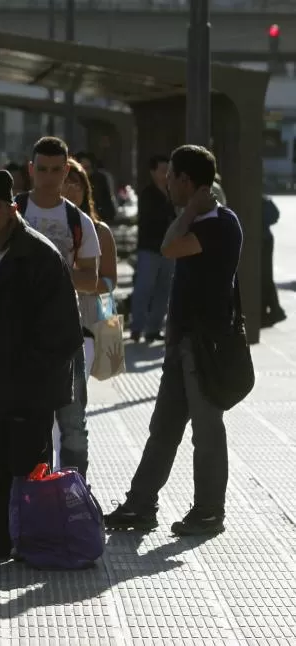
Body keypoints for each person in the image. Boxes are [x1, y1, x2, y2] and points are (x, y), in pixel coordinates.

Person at [105, 145, 242, 536]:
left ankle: (209, 510)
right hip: (181, 343)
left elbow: (168, 248)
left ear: (186, 181)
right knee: (163, 428)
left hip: (205, 345)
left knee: (207, 430)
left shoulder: (219, 224)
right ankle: (141, 504)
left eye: (172, 178)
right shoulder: (198, 221)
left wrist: (189, 212)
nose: (167, 184)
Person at [0, 168, 82, 561]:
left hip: (24, 390)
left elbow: (62, 333)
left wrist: (28, 380)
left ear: (13, 208)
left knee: (27, 471)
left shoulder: (39, 255)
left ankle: (32, 540)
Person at [18, 137, 100, 478]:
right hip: (19, 338)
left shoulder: (79, 221)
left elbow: (92, 279)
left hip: (67, 337)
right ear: (31, 169)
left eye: (56, 170)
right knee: (23, 423)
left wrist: (56, 270)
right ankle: (26, 495)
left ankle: (72, 494)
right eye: (42, 169)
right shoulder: (12, 213)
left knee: (73, 425)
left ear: (66, 171)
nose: (48, 177)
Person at [130, 154, 177, 343]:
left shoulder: (173, 192)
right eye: (162, 170)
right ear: (153, 172)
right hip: (149, 247)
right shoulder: (147, 194)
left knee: (164, 289)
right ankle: (137, 328)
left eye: (169, 170)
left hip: (169, 249)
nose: (166, 174)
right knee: (144, 288)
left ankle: (154, 328)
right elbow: (151, 220)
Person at [64, 158, 119, 313]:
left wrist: (80, 280)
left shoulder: (100, 230)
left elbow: (110, 281)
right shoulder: (40, 225)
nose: (72, 190)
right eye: (66, 183)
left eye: (77, 185)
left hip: (87, 311)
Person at [261, 194, 286, 328]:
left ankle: (275, 309)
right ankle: (273, 309)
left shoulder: (259, 199)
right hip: (265, 238)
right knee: (265, 275)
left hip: (262, 240)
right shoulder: (262, 198)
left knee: (264, 276)